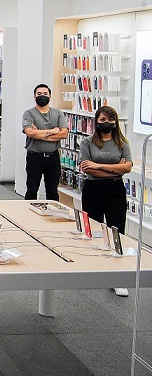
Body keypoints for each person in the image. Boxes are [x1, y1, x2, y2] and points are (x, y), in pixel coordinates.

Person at [79, 106, 133, 297]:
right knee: (92, 230)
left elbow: (127, 168)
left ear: (115, 122)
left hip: (115, 191)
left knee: (116, 231)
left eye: (110, 120)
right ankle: (93, 270)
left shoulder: (122, 143)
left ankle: (117, 278)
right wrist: (114, 169)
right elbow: (87, 169)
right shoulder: (87, 142)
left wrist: (98, 165)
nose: (106, 123)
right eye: (102, 120)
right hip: (93, 189)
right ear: (96, 121)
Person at [21, 84, 68, 200]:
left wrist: (40, 134)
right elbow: (30, 132)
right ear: (34, 97)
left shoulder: (58, 113)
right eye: (39, 94)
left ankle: (52, 212)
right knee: (32, 190)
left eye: (45, 94)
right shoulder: (29, 113)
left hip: (53, 157)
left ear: (50, 97)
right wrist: (53, 131)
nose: (42, 96)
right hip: (34, 157)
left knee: (52, 191)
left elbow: (64, 134)